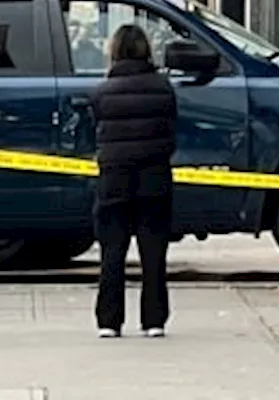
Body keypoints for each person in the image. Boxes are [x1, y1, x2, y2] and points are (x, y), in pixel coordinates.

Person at [89, 24, 177, 338]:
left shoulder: (101, 93)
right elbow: (170, 134)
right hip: (154, 177)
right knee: (153, 252)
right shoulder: (163, 89)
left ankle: (109, 321)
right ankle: (154, 319)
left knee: (112, 252)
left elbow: (96, 133)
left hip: (114, 178)